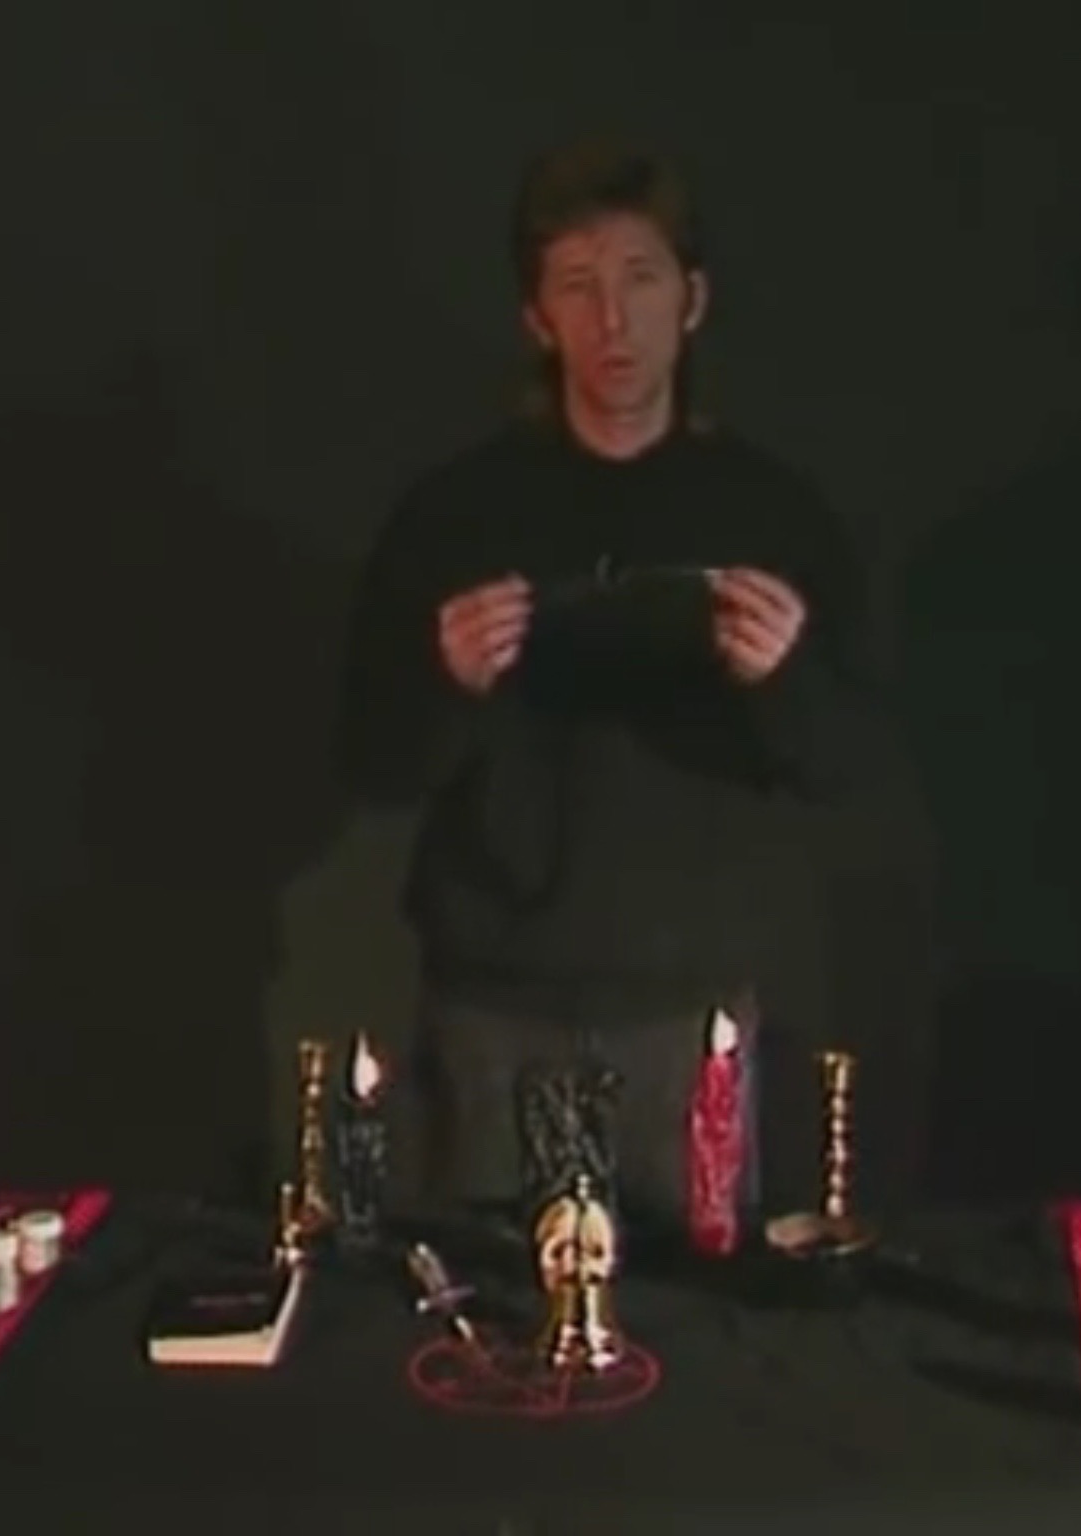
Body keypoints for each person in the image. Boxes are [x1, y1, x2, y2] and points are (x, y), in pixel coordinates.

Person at [336, 140, 899, 1232]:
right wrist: (448, 679)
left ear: (692, 300)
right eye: (577, 286)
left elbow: (849, 765)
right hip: (492, 1006)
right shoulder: (455, 515)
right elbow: (371, 764)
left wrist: (782, 679)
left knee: (693, 1315)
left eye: (639, 279)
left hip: (689, 1015)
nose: (613, 320)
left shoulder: (771, 514)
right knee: (488, 1310)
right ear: (536, 319)